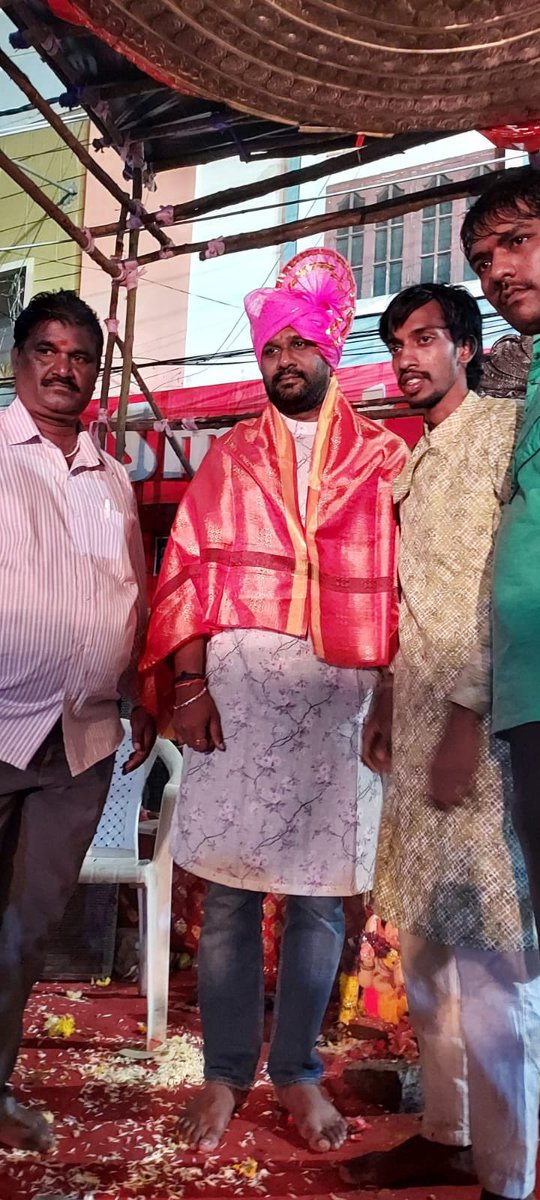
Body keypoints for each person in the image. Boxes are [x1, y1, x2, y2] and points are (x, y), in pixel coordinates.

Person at [141, 248, 407, 1153]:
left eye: (299, 343)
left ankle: (294, 1075)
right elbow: (183, 574)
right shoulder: (226, 458)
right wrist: (187, 684)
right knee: (223, 900)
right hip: (237, 709)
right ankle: (223, 1074)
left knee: (318, 903)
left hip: (342, 711)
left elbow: (407, 592)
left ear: (330, 348)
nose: (283, 359)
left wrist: (390, 705)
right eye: (269, 348)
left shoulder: (380, 456)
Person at [348, 282, 540, 1200]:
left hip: (483, 742)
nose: (408, 360)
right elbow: (410, 602)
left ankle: (507, 1176)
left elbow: (497, 593)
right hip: (419, 730)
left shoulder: (501, 440)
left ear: (466, 347)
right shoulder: (413, 464)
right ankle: (445, 1130)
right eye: (397, 345)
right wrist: (389, 698)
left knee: (495, 963)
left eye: (426, 340)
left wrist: (466, 715)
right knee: (425, 948)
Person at [0, 290, 156, 1152]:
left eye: (81, 356)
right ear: (18, 357)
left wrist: (135, 691)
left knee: (25, 930)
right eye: (46, 351)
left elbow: (128, 592)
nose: (64, 369)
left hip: (80, 740)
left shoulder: (114, 479)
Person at [462, 168, 540, 942]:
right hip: (526, 694)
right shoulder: (524, 375)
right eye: (484, 260)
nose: (498, 273)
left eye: (516, 242)